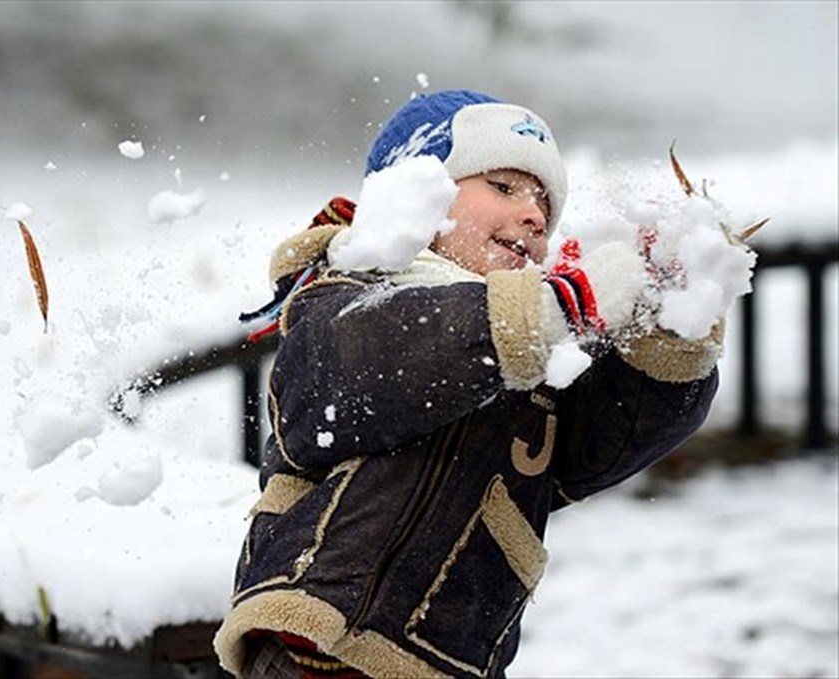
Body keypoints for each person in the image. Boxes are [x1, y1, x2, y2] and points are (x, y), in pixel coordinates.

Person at [214, 90, 726, 678]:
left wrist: (673, 326)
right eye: (504, 188)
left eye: (544, 205)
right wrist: (560, 306)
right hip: (314, 648)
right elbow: (389, 361)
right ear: (417, 197)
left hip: (451, 658)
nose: (534, 216)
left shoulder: (532, 355)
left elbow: (615, 433)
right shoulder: (345, 295)